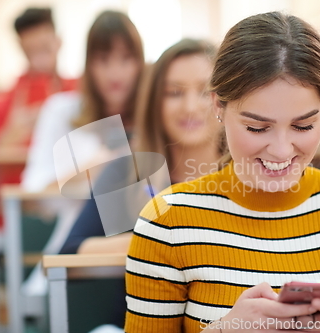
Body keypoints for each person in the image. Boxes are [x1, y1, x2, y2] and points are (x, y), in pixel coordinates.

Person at [125, 12, 320, 333]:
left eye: (303, 125)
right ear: (218, 106)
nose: (282, 150)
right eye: (257, 127)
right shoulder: (166, 221)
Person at [58, 38, 222, 333]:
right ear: (154, 102)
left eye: (205, 91)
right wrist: (159, 239)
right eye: (174, 93)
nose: (190, 106)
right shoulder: (128, 176)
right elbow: (69, 253)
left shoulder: (249, 177)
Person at [21, 10, 144, 192]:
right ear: (89, 64)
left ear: (139, 63)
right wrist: (94, 169)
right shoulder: (60, 111)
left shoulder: (154, 115)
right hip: (77, 218)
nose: (115, 73)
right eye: (103, 60)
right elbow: (32, 191)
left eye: (125, 59)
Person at [0, 7, 76, 187]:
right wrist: (5, 138)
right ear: (21, 48)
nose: (40, 60)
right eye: (32, 51)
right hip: (16, 207)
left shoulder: (80, 95)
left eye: (45, 49)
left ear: (58, 42)